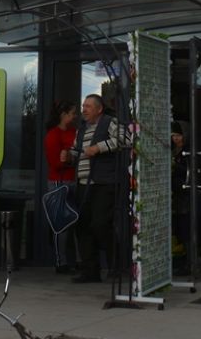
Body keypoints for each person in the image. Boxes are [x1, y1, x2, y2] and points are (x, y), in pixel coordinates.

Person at [62, 93, 129, 283]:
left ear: (99, 109)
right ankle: (90, 271)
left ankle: (117, 266)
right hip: (84, 184)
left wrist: (99, 147)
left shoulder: (110, 122)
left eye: (88, 106)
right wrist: (68, 156)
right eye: (83, 106)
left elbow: (126, 138)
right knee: (82, 226)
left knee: (101, 224)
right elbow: (77, 152)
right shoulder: (82, 129)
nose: (84, 110)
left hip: (104, 183)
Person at [43, 100, 78, 273]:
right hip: (59, 181)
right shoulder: (53, 135)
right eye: (72, 113)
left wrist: (70, 157)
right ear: (63, 115)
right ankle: (60, 262)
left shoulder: (73, 132)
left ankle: (76, 259)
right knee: (61, 223)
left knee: (75, 221)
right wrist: (70, 159)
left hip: (72, 180)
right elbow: (55, 163)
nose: (75, 116)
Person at [170, 121, 191, 276]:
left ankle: (189, 263)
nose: (176, 138)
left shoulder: (189, 152)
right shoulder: (172, 150)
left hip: (185, 196)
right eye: (173, 136)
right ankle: (180, 262)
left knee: (185, 230)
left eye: (178, 135)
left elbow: (190, 171)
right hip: (175, 196)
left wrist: (174, 165)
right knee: (176, 231)